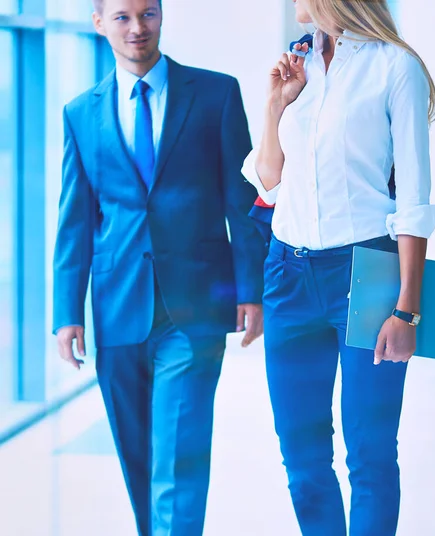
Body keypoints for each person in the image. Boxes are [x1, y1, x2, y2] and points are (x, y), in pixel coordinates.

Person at [52, 0, 265, 534]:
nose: (137, 28)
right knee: (140, 458)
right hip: (117, 305)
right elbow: (75, 221)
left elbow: (240, 202)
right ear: (98, 23)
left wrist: (251, 289)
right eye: (121, 17)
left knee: (180, 457)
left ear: (163, 15)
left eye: (147, 13)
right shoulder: (81, 113)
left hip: (195, 307)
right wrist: (66, 312)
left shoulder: (216, 94)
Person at [241, 0, 435, 534]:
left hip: (366, 272)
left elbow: (415, 202)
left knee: (370, 454)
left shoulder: (395, 67)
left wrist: (409, 312)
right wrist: (275, 105)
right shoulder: (295, 63)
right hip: (287, 272)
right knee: (302, 458)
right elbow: (267, 179)